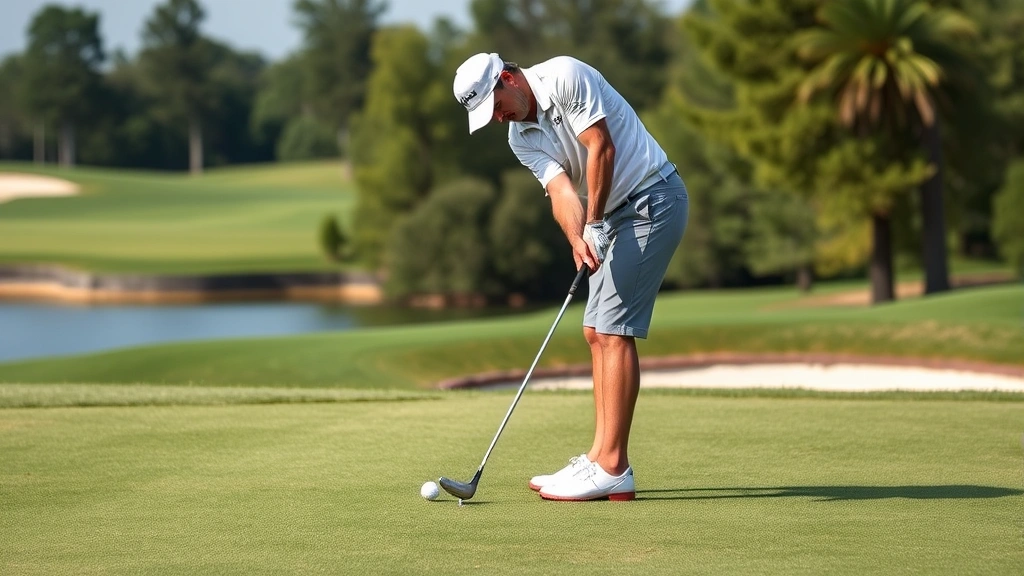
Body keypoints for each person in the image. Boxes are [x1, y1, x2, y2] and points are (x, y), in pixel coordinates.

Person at [453, 53, 689, 501]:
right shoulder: (520, 138)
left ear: (508, 79)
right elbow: (561, 193)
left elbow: (601, 146)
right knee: (595, 331)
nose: (498, 118)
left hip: (651, 200)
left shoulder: (564, 75)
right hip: (612, 217)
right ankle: (598, 457)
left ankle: (613, 467)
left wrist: (595, 223)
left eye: (496, 106)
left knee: (615, 331)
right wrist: (578, 238)